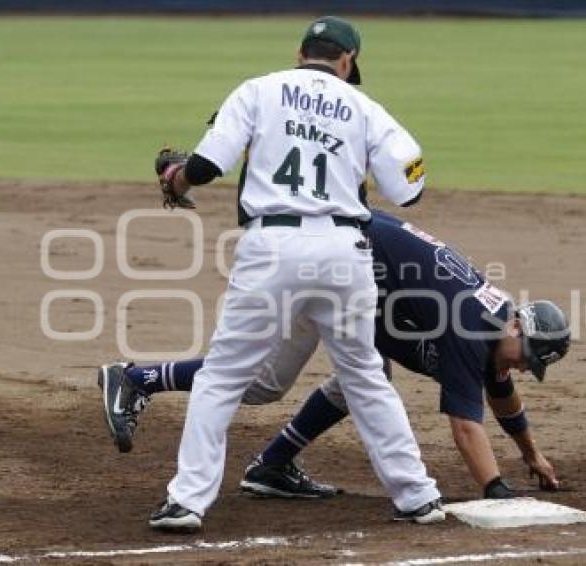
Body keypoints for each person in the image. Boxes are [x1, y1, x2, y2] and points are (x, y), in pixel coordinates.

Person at [104, 16, 445, 533]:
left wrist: (177, 178)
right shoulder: (365, 108)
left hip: (272, 247)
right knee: (365, 377)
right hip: (344, 250)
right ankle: (418, 496)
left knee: (222, 376)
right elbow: (409, 189)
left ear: (300, 51)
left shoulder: (258, 90)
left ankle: (187, 502)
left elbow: (207, 165)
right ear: (347, 61)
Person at [100, 210, 571, 505]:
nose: (524, 367)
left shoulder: (492, 331)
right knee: (267, 382)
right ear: (516, 326)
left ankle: (272, 466)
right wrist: (495, 490)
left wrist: (534, 455)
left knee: (361, 377)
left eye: (533, 365)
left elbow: (501, 391)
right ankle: (137, 377)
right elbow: (467, 427)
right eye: (528, 355)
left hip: (353, 266)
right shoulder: (471, 327)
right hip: (331, 263)